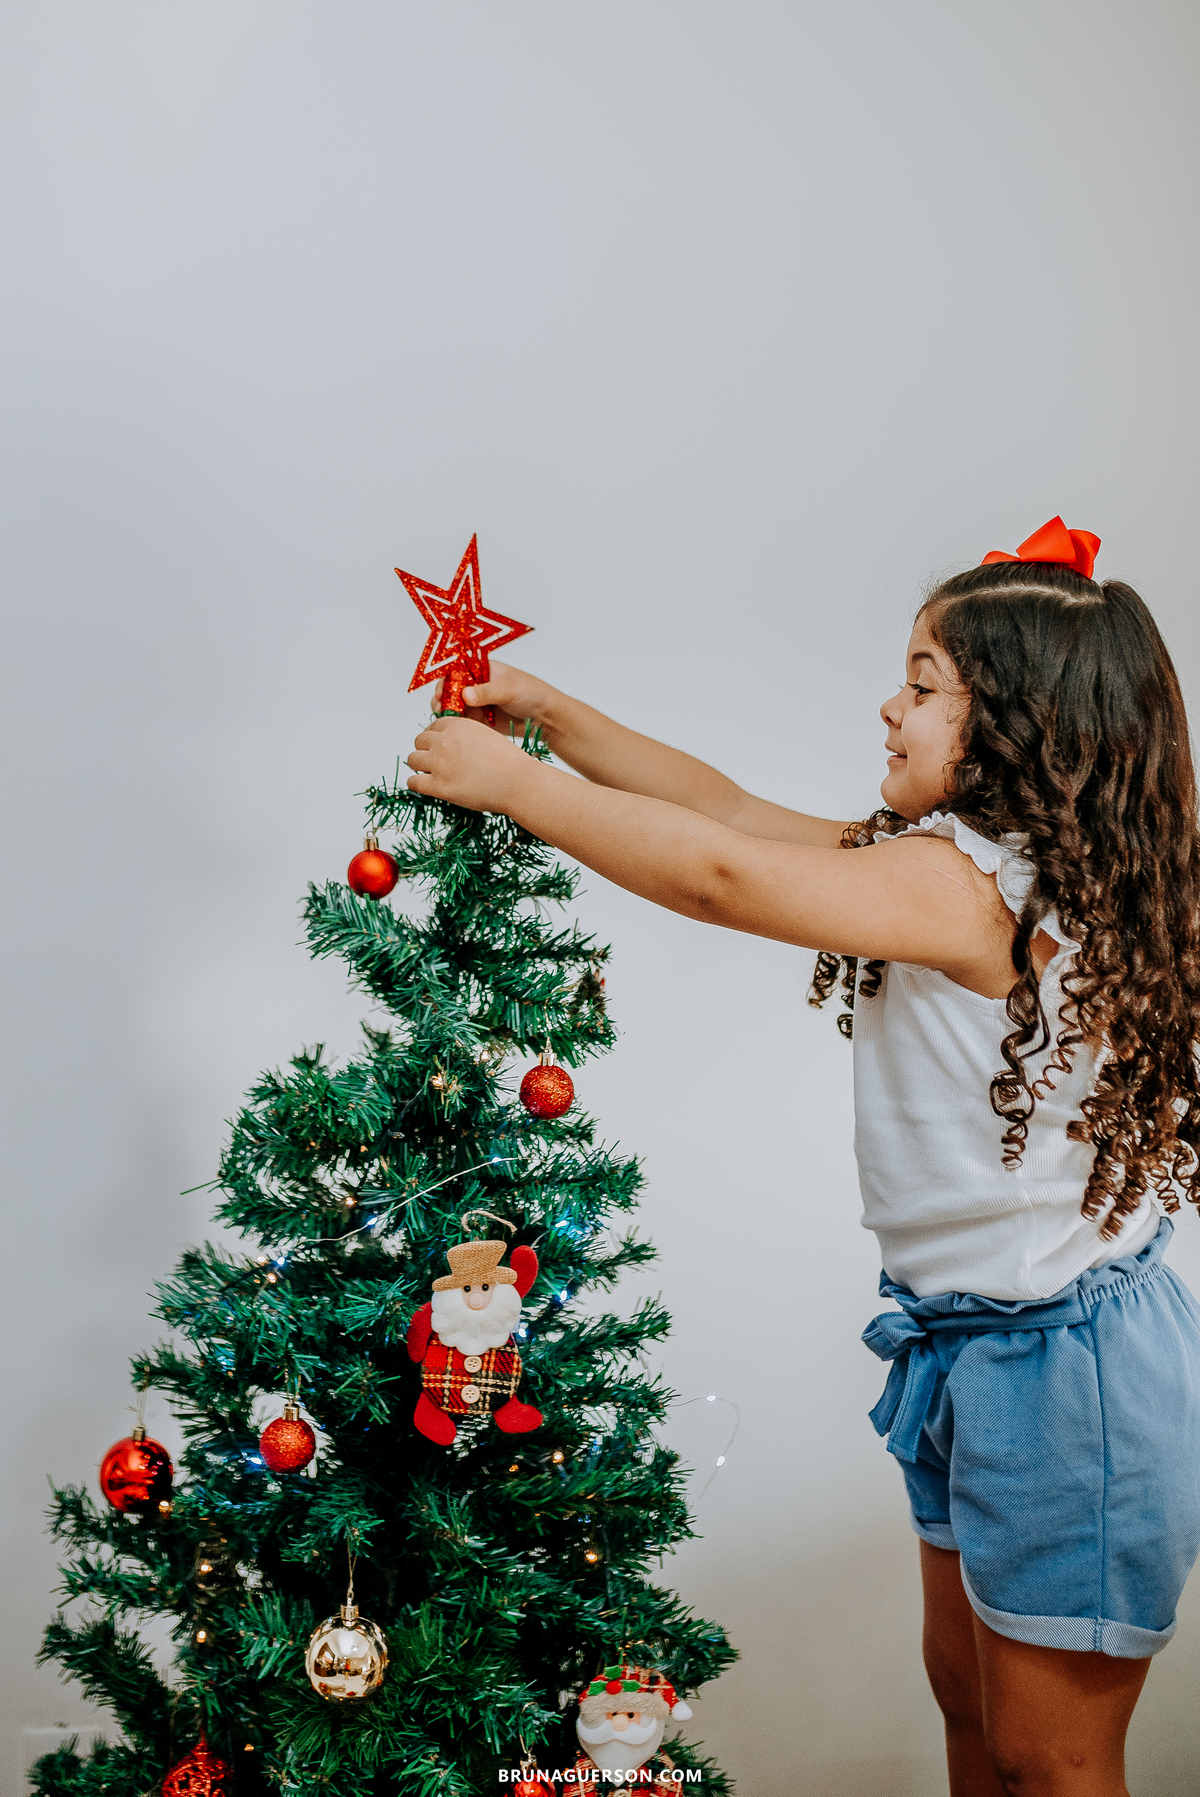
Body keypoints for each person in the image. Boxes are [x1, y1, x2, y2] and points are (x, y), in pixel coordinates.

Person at [405, 516, 1200, 1797]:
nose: (889, 704)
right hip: (970, 1349)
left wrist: (521, 791)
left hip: (1068, 1383)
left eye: (925, 683)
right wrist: (552, 714)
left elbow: (720, 874)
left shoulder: (970, 891)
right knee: (973, 1708)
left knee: (1055, 1761)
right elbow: (719, 804)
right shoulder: (943, 869)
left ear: (1018, 728)